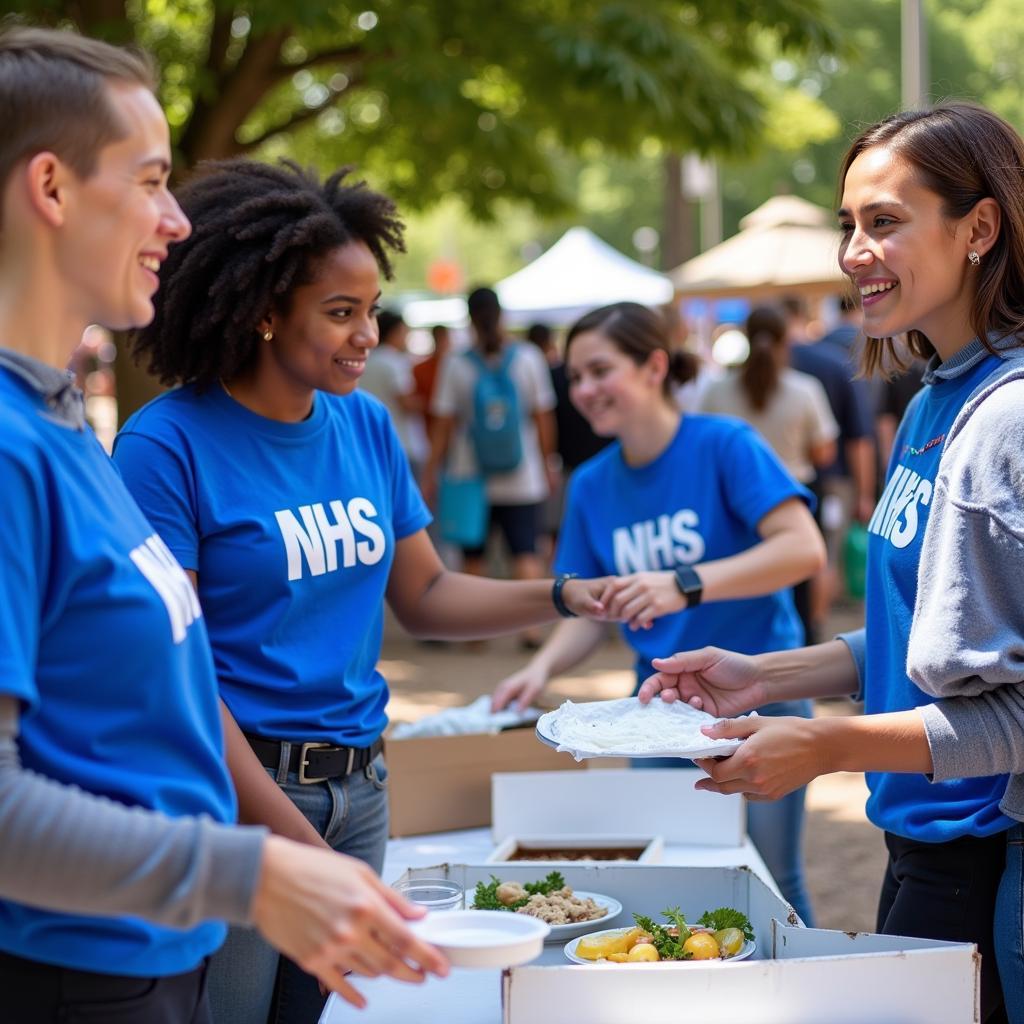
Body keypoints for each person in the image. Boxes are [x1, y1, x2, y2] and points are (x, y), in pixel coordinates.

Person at [0, 24, 447, 1024]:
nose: (175, 220)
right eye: (151, 179)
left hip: (150, 958)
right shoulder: (21, 444)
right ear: (52, 188)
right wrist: (258, 869)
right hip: (75, 975)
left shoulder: (59, 422)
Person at [111, 161, 616, 1024]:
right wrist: (297, 843)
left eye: (372, 309)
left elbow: (425, 595)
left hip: (364, 788)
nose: (366, 337)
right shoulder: (165, 448)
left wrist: (568, 596)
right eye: (340, 314)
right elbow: (178, 681)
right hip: (237, 800)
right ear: (264, 314)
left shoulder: (364, 425)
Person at [639, 102, 1024, 1023]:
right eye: (850, 224)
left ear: (979, 227)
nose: (854, 251)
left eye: (884, 222)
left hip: (985, 861)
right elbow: (923, 637)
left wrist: (825, 746)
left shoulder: (1006, 420)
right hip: (920, 843)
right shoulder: (935, 397)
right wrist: (764, 675)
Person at [491, 301, 826, 926]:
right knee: (676, 877)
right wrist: (539, 672)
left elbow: (802, 548)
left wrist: (685, 584)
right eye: (576, 378)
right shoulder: (590, 484)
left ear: (653, 365)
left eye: (600, 370)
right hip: (657, 710)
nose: (585, 391)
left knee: (773, 878)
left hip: (762, 696)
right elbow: (591, 612)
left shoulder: (724, 443)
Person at [426, 286, 558, 648]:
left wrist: (431, 472)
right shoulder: (528, 357)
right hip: (523, 476)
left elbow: (444, 423)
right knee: (525, 552)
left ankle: (477, 633)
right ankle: (530, 629)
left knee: (474, 557)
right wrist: (548, 462)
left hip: (471, 475)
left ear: (469, 317)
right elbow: (543, 416)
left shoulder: (456, 362)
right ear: (502, 315)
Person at [699, 305, 838, 644]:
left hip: (735, 504)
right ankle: (801, 654)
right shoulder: (804, 389)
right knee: (800, 583)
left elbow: (703, 446)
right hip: (794, 495)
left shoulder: (718, 390)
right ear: (784, 339)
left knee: (744, 582)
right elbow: (824, 452)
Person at [359, 308, 428, 478]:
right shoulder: (395, 362)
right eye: (404, 332)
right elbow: (406, 403)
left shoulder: (365, 360)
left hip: (372, 445)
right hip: (404, 444)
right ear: (394, 332)